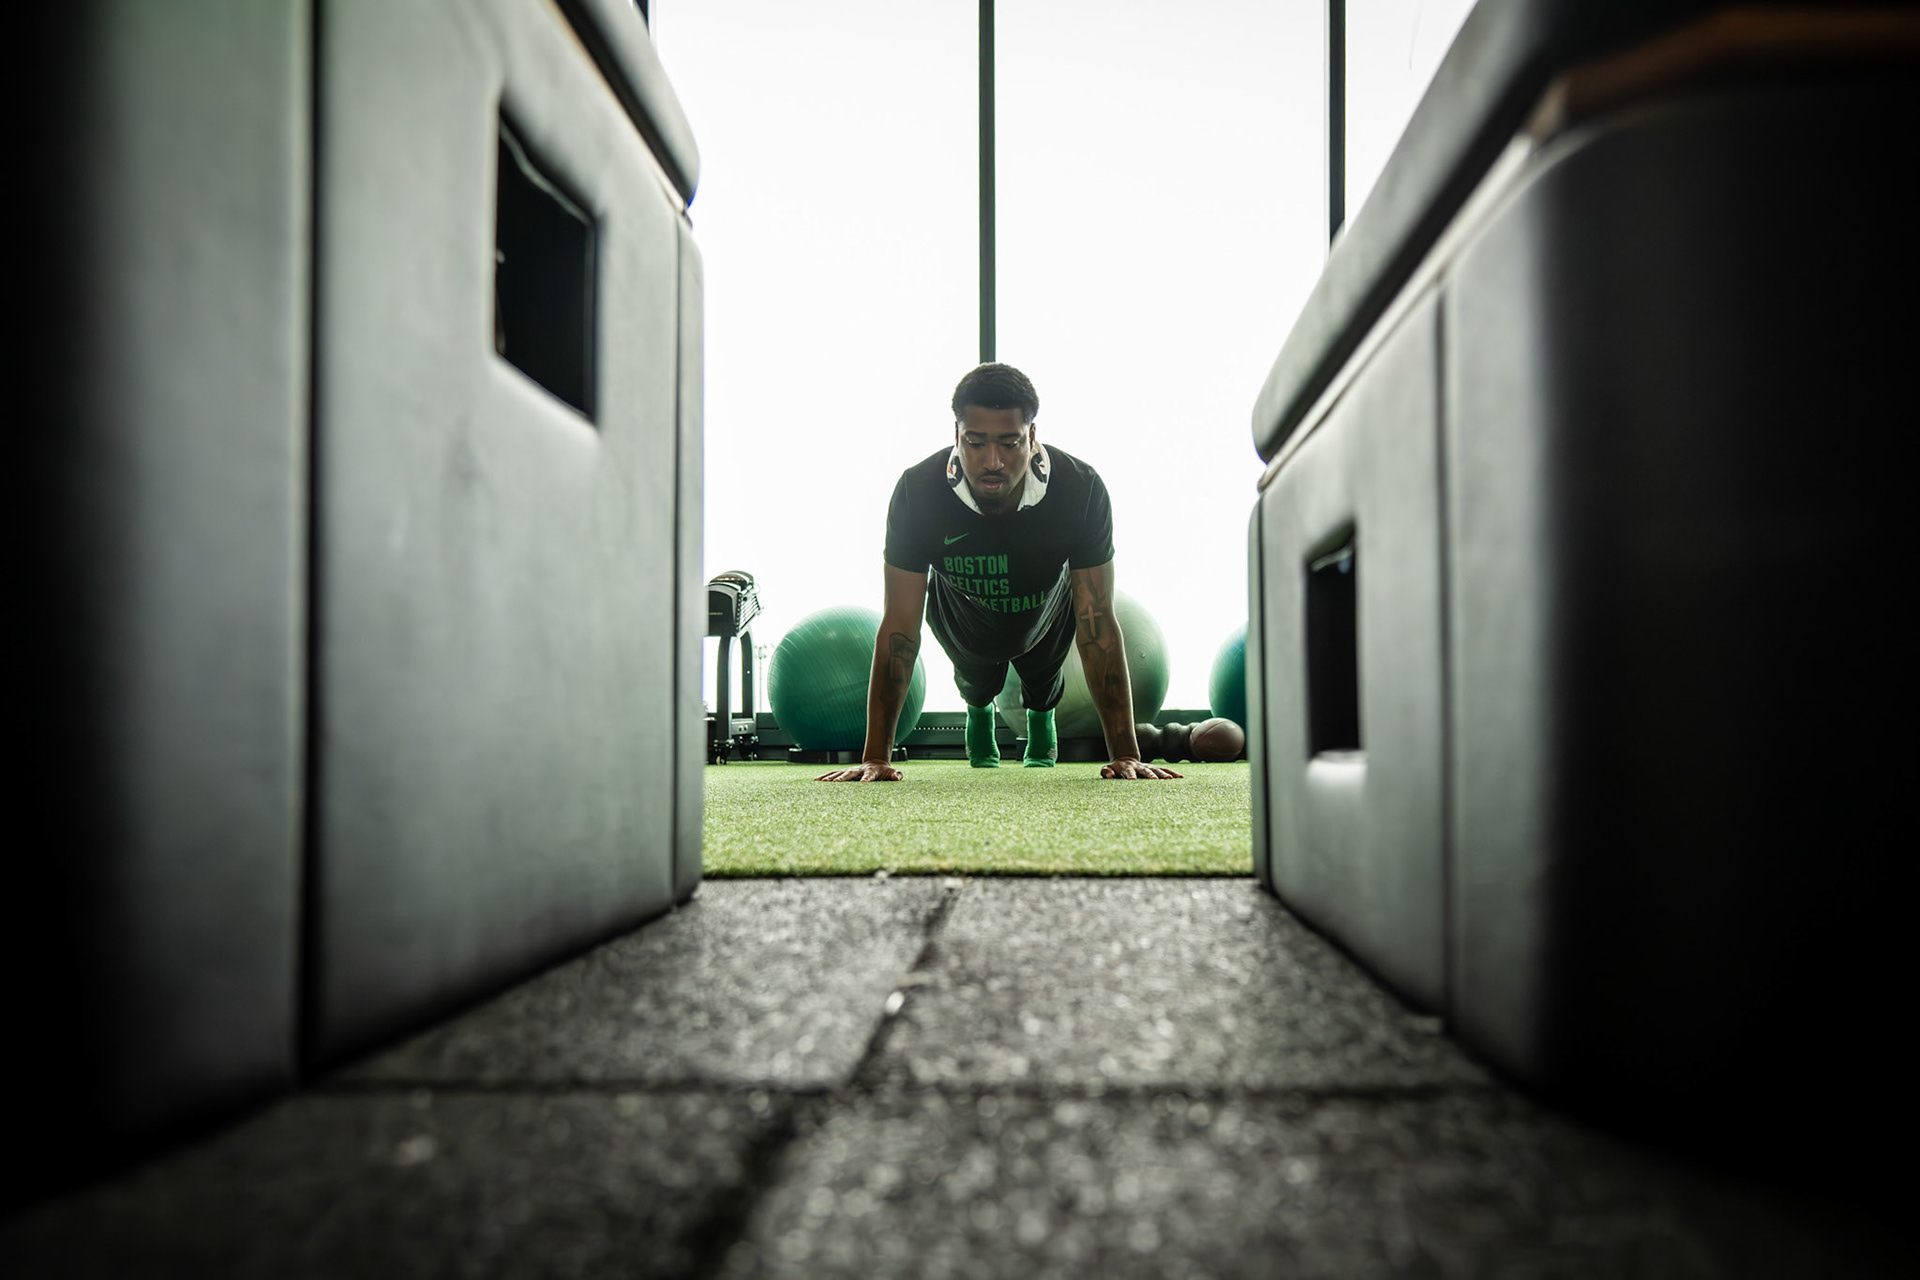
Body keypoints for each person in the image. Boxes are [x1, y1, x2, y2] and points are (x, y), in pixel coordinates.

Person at [818, 363, 1181, 782]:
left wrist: (1126, 754)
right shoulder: (917, 493)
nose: (992, 461)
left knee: (1044, 681)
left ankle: (1040, 720)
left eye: (1009, 443)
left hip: (1046, 612)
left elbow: (1097, 625)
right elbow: (900, 627)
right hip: (962, 613)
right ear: (956, 436)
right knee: (976, 680)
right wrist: (875, 756)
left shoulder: (1081, 490)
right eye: (975, 443)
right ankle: (978, 710)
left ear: (1031, 436)